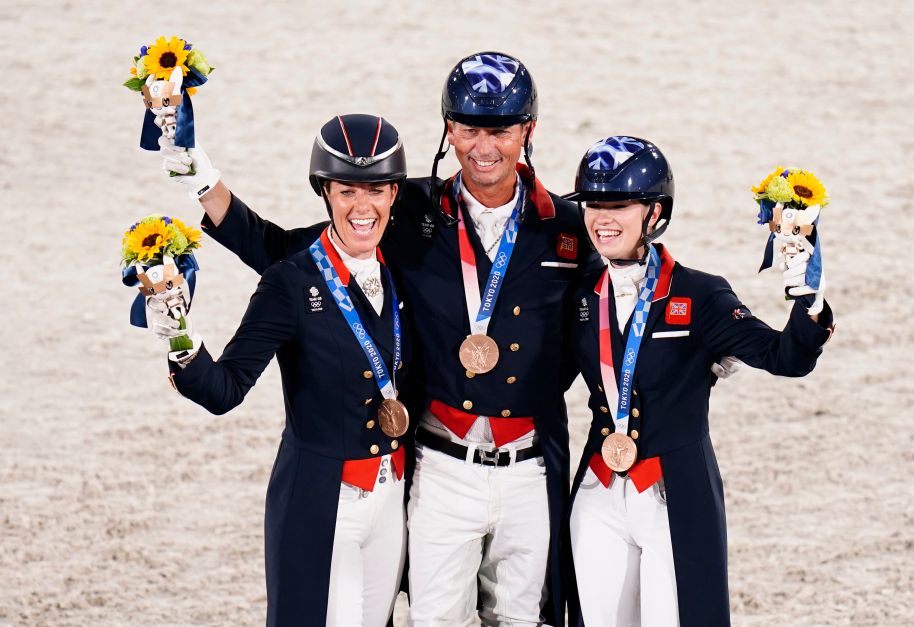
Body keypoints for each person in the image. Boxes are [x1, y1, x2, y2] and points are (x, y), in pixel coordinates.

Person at [158, 51, 598, 626]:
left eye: (501, 129)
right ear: (448, 130)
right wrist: (196, 170)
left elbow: (621, 297)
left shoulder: (568, 228)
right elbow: (279, 249)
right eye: (468, 129)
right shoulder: (403, 208)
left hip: (532, 465)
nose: (483, 146)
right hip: (441, 463)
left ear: (528, 131)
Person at [149, 114, 412, 626]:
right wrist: (178, 334)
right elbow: (223, 390)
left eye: (377, 189)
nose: (363, 206)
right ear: (325, 193)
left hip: (392, 498)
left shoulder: (400, 255)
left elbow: (264, 240)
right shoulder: (290, 281)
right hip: (323, 500)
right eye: (346, 191)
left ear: (395, 194)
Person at [562, 136, 835, 626]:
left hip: (674, 493)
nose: (602, 217)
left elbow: (784, 357)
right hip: (599, 490)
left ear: (655, 211)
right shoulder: (580, 293)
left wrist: (807, 297)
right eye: (593, 204)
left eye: (619, 204)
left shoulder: (700, 294)